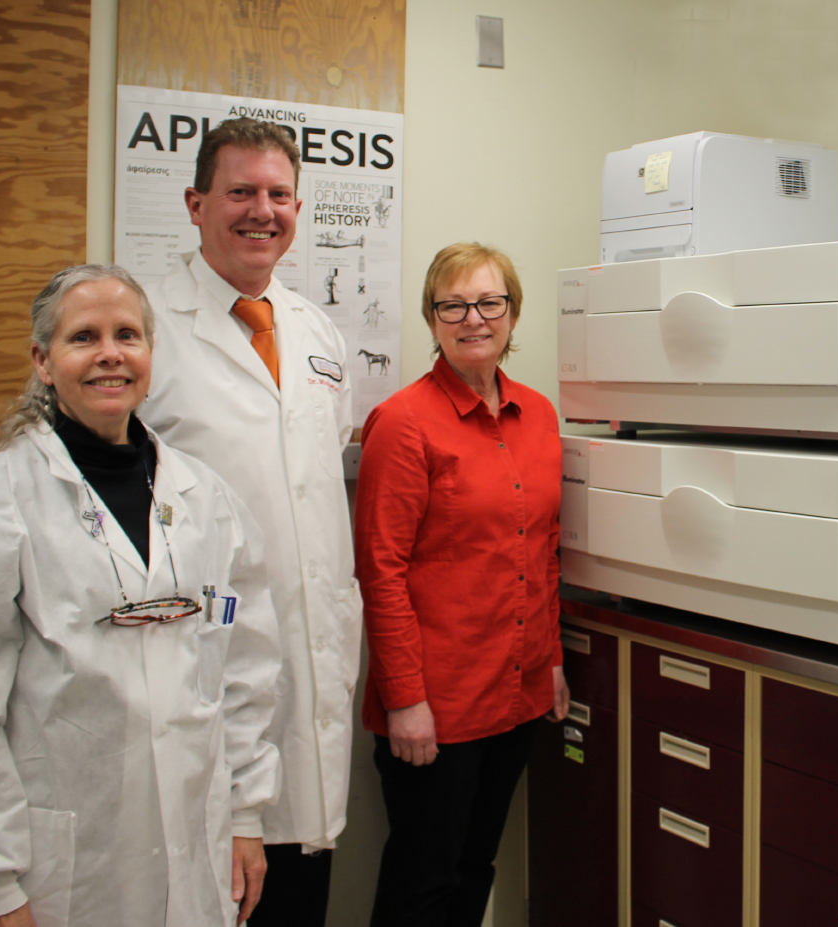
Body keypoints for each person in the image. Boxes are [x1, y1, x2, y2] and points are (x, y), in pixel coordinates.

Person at [0, 265, 281, 927]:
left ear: (149, 355)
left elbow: (245, 667)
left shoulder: (204, 499)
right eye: (84, 336)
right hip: (63, 870)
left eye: (127, 334)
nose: (111, 352)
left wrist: (246, 813)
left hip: (200, 847)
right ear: (43, 361)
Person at [138, 118, 361, 926]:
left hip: (308, 665)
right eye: (240, 192)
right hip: (204, 664)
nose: (261, 210)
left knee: (301, 887)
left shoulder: (315, 329)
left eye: (277, 194)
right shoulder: (146, 330)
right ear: (197, 204)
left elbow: (313, 476)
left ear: (297, 207)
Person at [355, 242, 570, 927]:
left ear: (512, 313)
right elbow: (379, 571)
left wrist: (553, 660)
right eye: (453, 304)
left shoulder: (538, 414)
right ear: (432, 317)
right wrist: (407, 700)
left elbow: (544, 549)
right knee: (425, 880)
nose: (472, 318)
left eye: (488, 302)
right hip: (436, 708)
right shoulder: (403, 423)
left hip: (517, 691)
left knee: (476, 865)